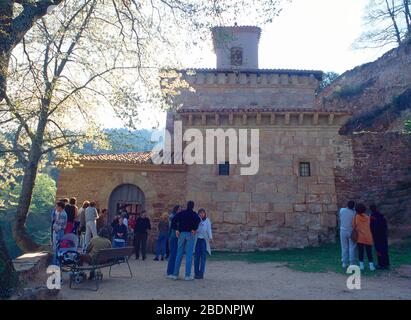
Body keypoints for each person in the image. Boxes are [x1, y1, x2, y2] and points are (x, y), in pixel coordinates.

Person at [170, 201, 201, 281]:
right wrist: (194, 229)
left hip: (181, 233)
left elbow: (173, 220)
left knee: (179, 253)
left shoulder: (182, 213)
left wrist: (176, 229)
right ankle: (187, 275)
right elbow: (198, 220)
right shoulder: (194, 214)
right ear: (193, 206)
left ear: (187, 206)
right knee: (189, 255)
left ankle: (175, 274)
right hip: (190, 234)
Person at [353, 203, 376, 271]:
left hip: (360, 237)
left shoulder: (356, 217)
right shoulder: (368, 217)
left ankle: (361, 265)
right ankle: (371, 266)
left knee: (361, 252)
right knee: (369, 252)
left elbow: (354, 226)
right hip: (368, 236)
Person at [194, 209, 213, 279]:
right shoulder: (196, 220)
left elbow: (209, 229)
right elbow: (194, 228)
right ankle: (196, 273)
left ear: (205, 214)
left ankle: (201, 273)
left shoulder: (207, 220)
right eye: (200, 213)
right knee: (196, 257)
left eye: (203, 213)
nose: (201, 214)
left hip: (204, 240)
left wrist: (210, 237)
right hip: (197, 240)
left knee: (203, 257)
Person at [370, 204, 390, 269]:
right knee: (385, 249)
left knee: (379, 250)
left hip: (377, 236)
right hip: (383, 235)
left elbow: (372, 227)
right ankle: (386, 264)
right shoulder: (381, 216)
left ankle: (381, 264)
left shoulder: (372, 217)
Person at [338, 200, 357, 268]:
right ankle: (352, 262)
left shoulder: (342, 210)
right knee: (352, 247)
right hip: (351, 231)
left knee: (344, 247)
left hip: (343, 230)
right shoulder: (354, 213)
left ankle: (344, 262)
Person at [166, 205, 182, 277]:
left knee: (176, 255)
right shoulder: (172, 217)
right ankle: (170, 272)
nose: (180, 211)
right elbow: (172, 228)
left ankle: (174, 272)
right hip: (173, 237)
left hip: (178, 237)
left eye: (180, 209)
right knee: (173, 254)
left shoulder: (178, 217)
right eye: (179, 209)